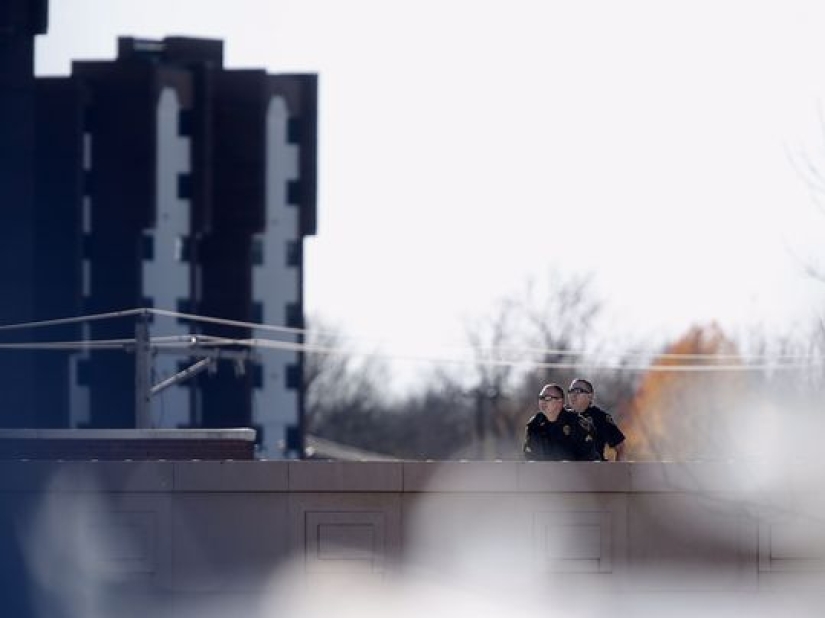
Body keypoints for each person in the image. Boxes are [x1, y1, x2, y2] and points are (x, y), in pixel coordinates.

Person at [523, 383, 599, 461]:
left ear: (560, 401)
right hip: (545, 471)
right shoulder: (535, 424)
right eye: (541, 398)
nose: (543, 402)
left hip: (577, 471)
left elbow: (589, 456)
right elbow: (530, 455)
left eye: (548, 398)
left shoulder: (576, 422)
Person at [567, 378, 626, 461]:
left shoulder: (600, 417)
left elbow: (620, 447)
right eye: (571, 391)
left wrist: (618, 472)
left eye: (578, 391)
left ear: (590, 396)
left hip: (594, 469)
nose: (573, 395)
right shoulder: (561, 415)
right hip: (565, 470)